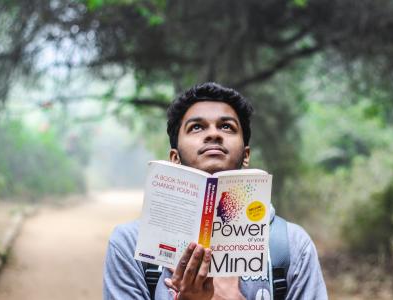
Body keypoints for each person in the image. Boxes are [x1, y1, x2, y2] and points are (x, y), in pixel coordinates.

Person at [103, 82, 328, 299]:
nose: (213, 134)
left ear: (246, 155)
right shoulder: (131, 245)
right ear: (175, 158)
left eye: (227, 126)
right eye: (197, 127)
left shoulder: (292, 245)